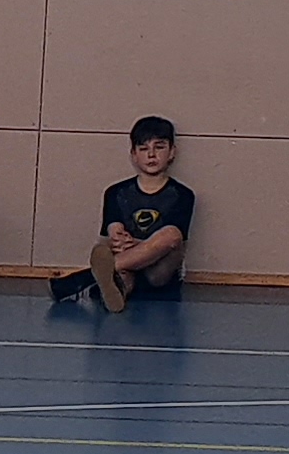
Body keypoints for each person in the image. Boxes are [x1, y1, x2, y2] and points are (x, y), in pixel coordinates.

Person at [56, 118, 192, 317]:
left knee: (171, 235)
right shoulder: (116, 193)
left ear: (172, 152)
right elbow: (114, 231)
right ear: (133, 155)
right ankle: (116, 292)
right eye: (143, 149)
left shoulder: (183, 195)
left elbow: (173, 240)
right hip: (127, 265)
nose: (151, 154)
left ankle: (86, 278)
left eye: (159, 147)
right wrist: (120, 240)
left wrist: (137, 245)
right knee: (116, 263)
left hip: (160, 272)